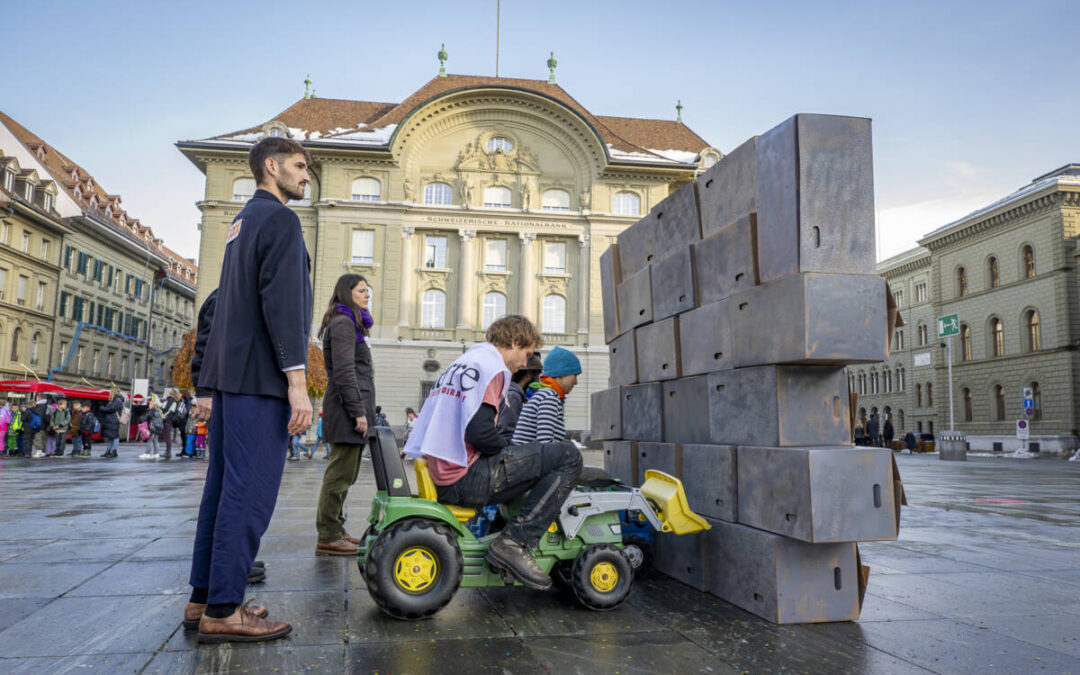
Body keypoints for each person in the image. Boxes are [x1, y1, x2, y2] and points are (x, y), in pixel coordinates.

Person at [185, 136, 313, 643]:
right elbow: (283, 306)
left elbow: (223, 310)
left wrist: (208, 381)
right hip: (261, 380)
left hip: (232, 378)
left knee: (221, 492)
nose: (306, 176)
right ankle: (223, 609)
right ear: (271, 166)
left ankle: (205, 598)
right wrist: (298, 385)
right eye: (300, 166)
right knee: (250, 494)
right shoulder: (281, 220)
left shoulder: (241, 224)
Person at [405, 315, 582, 590]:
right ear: (513, 342)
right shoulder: (492, 368)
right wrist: (511, 454)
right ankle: (514, 542)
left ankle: (497, 534)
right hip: (464, 479)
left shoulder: (466, 361)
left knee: (529, 460)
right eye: (526, 354)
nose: (525, 364)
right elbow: (479, 433)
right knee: (568, 456)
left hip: (444, 474)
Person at [314, 274, 375, 556]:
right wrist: (358, 412)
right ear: (346, 293)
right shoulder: (343, 324)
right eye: (362, 290)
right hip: (345, 410)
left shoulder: (349, 324)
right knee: (339, 475)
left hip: (348, 408)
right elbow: (344, 372)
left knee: (346, 474)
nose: (367, 295)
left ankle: (336, 529)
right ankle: (328, 535)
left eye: (368, 291)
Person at [511, 347, 580, 445]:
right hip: (528, 459)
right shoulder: (549, 397)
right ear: (561, 373)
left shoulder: (545, 394)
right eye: (575, 375)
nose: (576, 382)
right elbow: (545, 445)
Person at [496, 351, 543, 443]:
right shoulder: (512, 396)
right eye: (537, 375)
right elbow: (508, 435)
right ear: (529, 374)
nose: (539, 381)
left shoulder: (509, 392)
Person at [97, 389, 124, 458]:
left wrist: (102, 408)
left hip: (113, 421)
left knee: (114, 437)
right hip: (111, 421)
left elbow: (111, 409)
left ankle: (114, 451)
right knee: (110, 437)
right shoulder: (115, 400)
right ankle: (109, 451)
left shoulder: (117, 401)